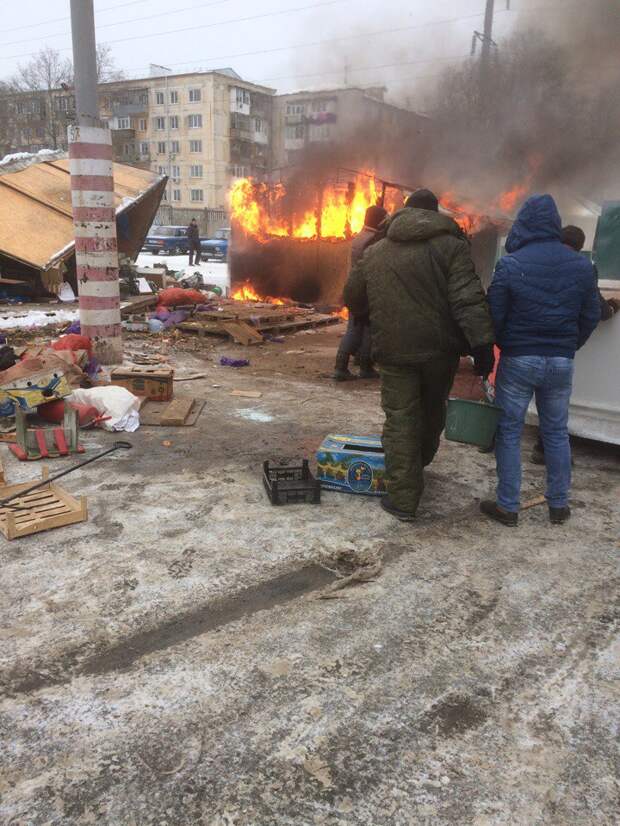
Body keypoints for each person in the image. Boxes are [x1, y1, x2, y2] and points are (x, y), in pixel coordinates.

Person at [344, 188, 495, 522]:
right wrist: (482, 345)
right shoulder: (452, 246)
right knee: (430, 411)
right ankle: (419, 464)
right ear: (435, 213)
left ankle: (403, 497)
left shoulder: (376, 250)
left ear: (403, 211)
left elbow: (353, 298)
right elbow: (468, 299)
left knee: (400, 418)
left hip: (394, 351)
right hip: (440, 352)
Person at [482, 195, 601, 528]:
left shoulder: (511, 263)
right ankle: (558, 504)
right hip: (561, 361)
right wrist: (569, 344)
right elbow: (591, 314)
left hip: (519, 358)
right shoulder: (582, 266)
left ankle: (508, 506)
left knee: (509, 432)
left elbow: (495, 313)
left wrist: (507, 343)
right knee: (556, 432)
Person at [530, 224, 619, 464]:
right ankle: (547, 452)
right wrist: (610, 308)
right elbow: (594, 310)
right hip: (558, 347)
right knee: (553, 403)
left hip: (525, 345)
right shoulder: (583, 268)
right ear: (580, 248)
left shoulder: (533, 260)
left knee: (515, 401)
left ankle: (493, 441)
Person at [334, 204, 388, 381]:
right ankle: (342, 368)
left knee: (362, 330)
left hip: (356, 290)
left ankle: (364, 367)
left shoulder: (361, 236)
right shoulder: (371, 240)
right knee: (359, 330)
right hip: (365, 291)